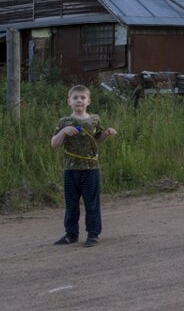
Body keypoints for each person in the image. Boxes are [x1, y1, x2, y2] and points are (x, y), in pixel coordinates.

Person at [50, 84, 117, 247]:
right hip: (71, 170)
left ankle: (93, 234)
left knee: (91, 204)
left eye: (82, 97)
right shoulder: (64, 122)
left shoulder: (95, 120)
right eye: (75, 98)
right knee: (71, 204)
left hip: (91, 169)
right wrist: (64, 132)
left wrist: (107, 134)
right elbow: (54, 143)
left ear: (89, 101)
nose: (79, 100)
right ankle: (71, 235)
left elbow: (98, 139)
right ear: (69, 102)